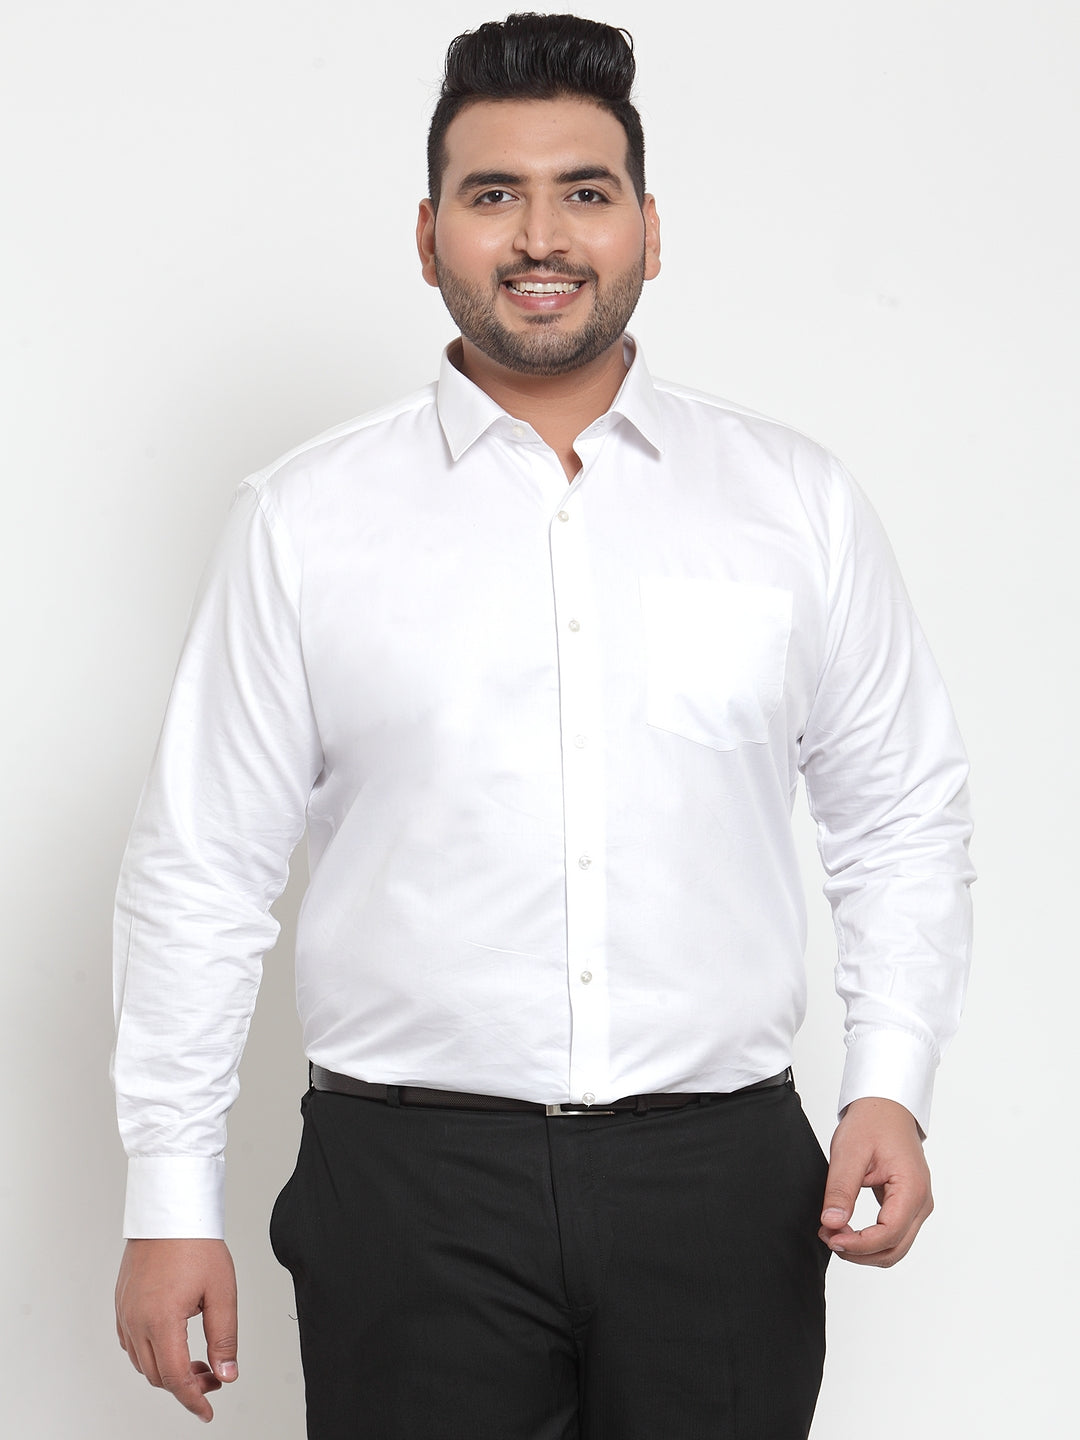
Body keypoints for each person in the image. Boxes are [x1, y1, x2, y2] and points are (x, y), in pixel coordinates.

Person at [112, 13, 974, 1439]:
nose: (540, 237)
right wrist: (168, 1198)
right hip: (408, 1188)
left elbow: (899, 814)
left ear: (649, 227)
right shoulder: (305, 522)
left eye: (585, 190)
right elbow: (202, 866)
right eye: (492, 193)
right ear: (428, 234)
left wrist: (891, 1084)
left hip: (721, 1181)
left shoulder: (793, 505)